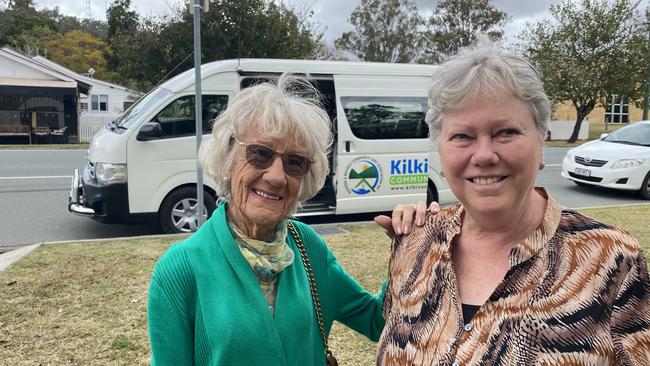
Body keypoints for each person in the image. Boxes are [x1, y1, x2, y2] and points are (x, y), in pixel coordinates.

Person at [376, 44, 650, 365]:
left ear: (541, 139)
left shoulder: (611, 258)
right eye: (462, 136)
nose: (484, 156)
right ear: (440, 148)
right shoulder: (415, 242)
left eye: (505, 132)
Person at [147, 75, 385, 365]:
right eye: (260, 153)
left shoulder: (307, 246)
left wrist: (412, 250)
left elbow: (378, 322)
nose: (275, 176)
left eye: (294, 162)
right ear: (229, 158)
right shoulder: (179, 270)